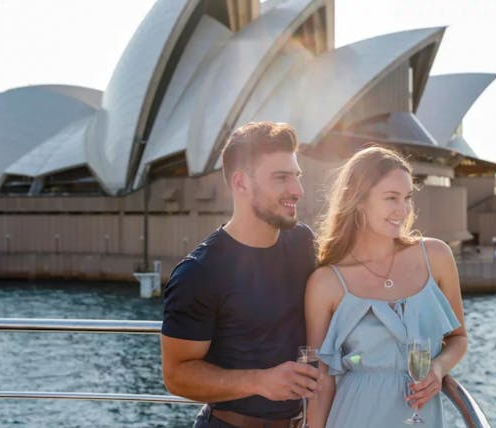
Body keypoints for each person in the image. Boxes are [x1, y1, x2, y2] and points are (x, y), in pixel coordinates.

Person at [161, 121, 320, 428]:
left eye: (296, 177)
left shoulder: (304, 243)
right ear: (241, 183)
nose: (297, 190)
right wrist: (260, 382)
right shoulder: (198, 272)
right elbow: (176, 375)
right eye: (281, 178)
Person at [304, 147, 468, 427]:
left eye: (407, 198)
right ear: (358, 201)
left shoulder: (436, 257)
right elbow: (322, 381)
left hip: (423, 417)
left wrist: (437, 369)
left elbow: (458, 338)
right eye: (391, 198)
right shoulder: (326, 283)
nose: (402, 210)